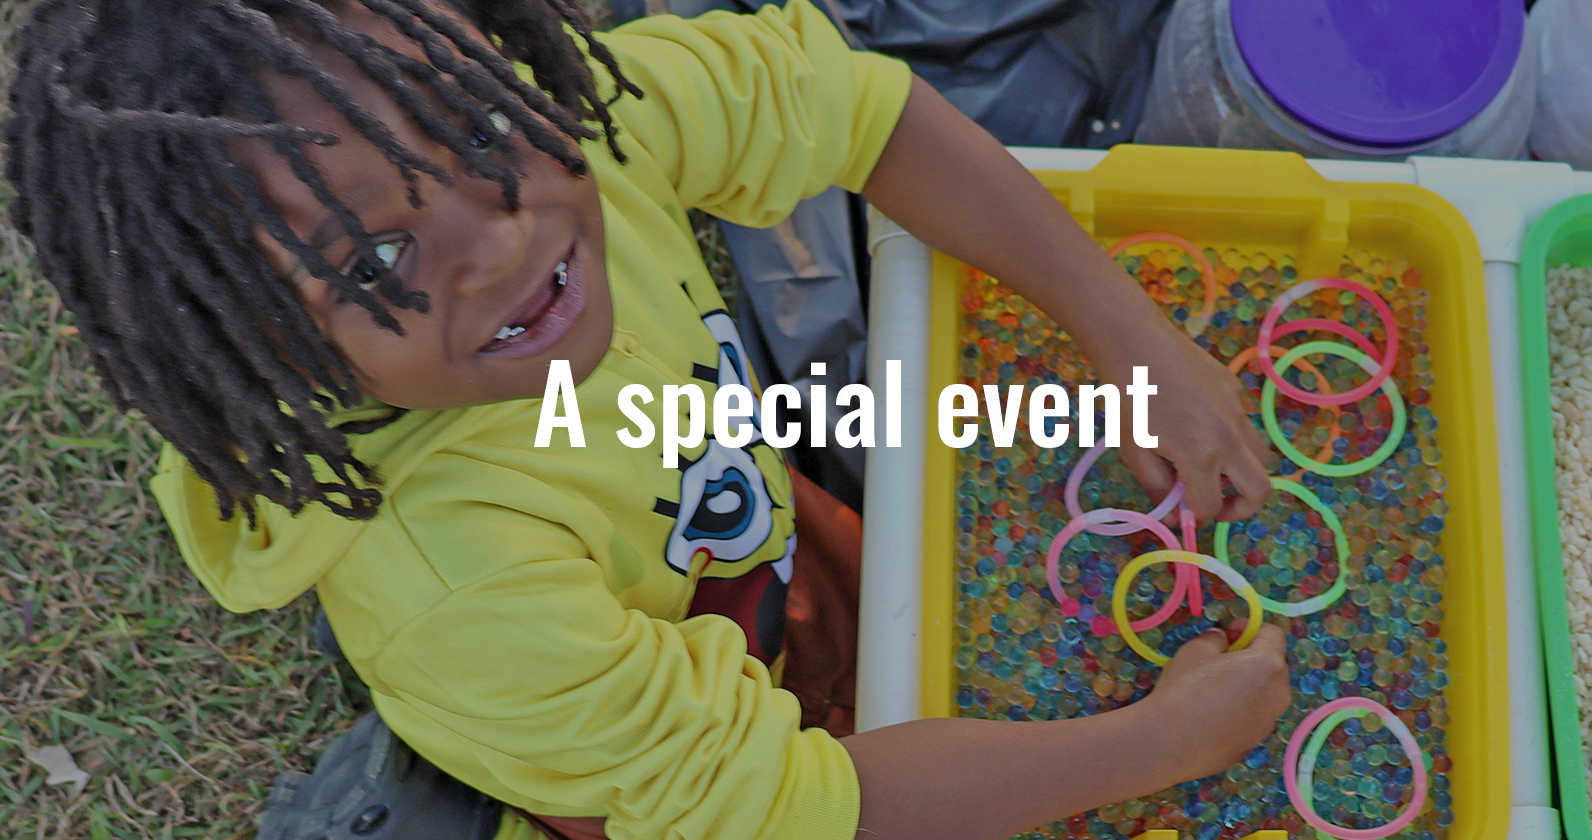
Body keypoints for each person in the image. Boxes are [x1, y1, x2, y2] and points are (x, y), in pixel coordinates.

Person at [4, 1, 1289, 839]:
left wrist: (1135, 340)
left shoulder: (577, 122)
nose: (502, 244)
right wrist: (1159, 744)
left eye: (475, 129)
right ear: (262, 342)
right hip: (637, 754)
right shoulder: (469, 590)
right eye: (376, 263)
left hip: (744, 556)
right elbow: (794, 809)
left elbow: (857, 107)